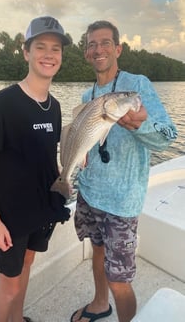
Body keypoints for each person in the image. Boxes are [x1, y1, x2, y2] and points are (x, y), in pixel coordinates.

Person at [70, 21, 177, 322]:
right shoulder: (85, 97)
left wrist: (140, 125)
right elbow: (85, 143)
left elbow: (168, 135)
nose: (98, 48)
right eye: (92, 44)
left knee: (119, 279)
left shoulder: (137, 86)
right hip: (90, 193)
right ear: (87, 54)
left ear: (118, 48)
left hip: (122, 202)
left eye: (105, 42)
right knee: (97, 253)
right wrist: (80, 161)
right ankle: (99, 304)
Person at [0, 16, 70, 322]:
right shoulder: (3, 102)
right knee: (9, 288)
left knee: (27, 266)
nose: (49, 54)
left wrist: (62, 185)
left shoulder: (53, 106)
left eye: (56, 48)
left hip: (42, 210)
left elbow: (47, 157)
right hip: (10, 217)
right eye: (40, 46)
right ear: (26, 52)